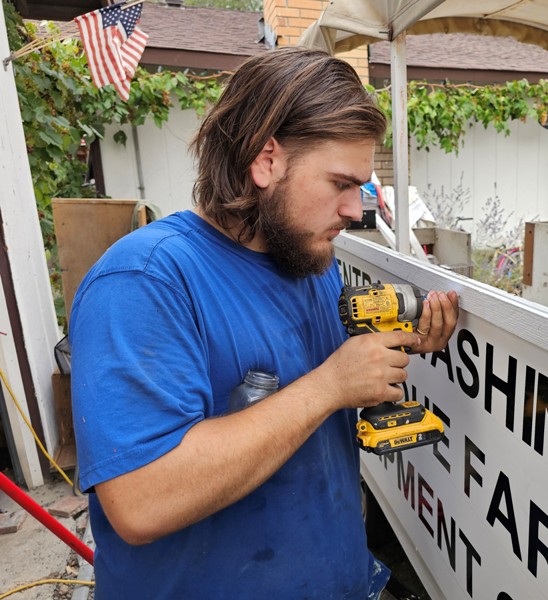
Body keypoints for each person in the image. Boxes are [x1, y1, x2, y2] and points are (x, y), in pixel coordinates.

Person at [69, 47, 459, 599]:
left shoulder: (305, 261)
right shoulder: (144, 282)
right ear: (265, 159)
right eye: (340, 184)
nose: (356, 209)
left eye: (362, 188)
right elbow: (141, 499)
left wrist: (390, 352)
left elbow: (311, 413)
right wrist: (329, 386)